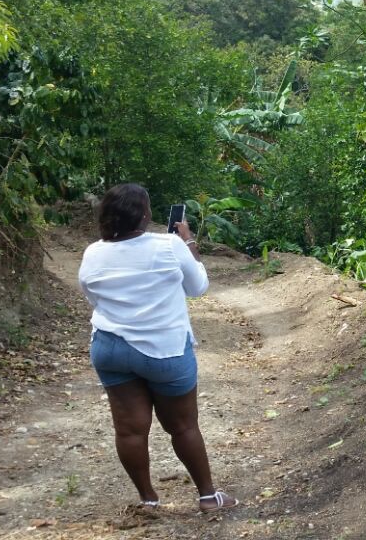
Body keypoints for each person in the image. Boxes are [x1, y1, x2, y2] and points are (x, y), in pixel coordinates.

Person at [77, 183, 237, 512]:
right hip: (164, 351)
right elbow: (198, 287)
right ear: (145, 215)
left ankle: (148, 500)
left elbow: (93, 297)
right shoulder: (169, 246)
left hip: (111, 348)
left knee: (129, 429)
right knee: (183, 426)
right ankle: (208, 497)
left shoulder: (93, 252)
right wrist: (189, 243)